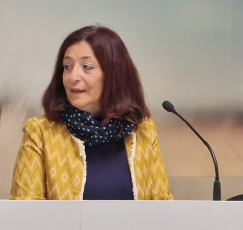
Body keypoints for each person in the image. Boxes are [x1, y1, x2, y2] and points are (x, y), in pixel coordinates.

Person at [10, 25, 172, 200]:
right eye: (67, 66)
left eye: (87, 67)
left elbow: (162, 205)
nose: (73, 77)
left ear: (113, 74)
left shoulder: (143, 132)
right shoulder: (40, 132)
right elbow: (25, 211)